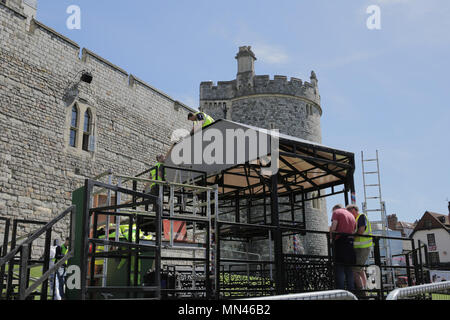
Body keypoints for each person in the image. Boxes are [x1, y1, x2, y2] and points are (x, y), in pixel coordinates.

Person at [346, 204, 373, 294]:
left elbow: (361, 230)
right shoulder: (357, 219)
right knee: (360, 269)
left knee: (354, 270)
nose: (348, 215)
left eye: (348, 212)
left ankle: (362, 291)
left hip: (363, 248)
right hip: (361, 248)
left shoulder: (361, 216)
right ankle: (365, 289)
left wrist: (352, 236)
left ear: (353, 210)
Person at [330, 204, 356, 291]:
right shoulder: (351, 215)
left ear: (335, 209)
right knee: (349, 269)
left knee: (339, 268)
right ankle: (351, 292)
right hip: (350, 243)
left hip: (340, 242)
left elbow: (333, 228)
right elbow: (354, 230)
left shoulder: (336, 212)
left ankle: (340, 292)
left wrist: (330, 236)